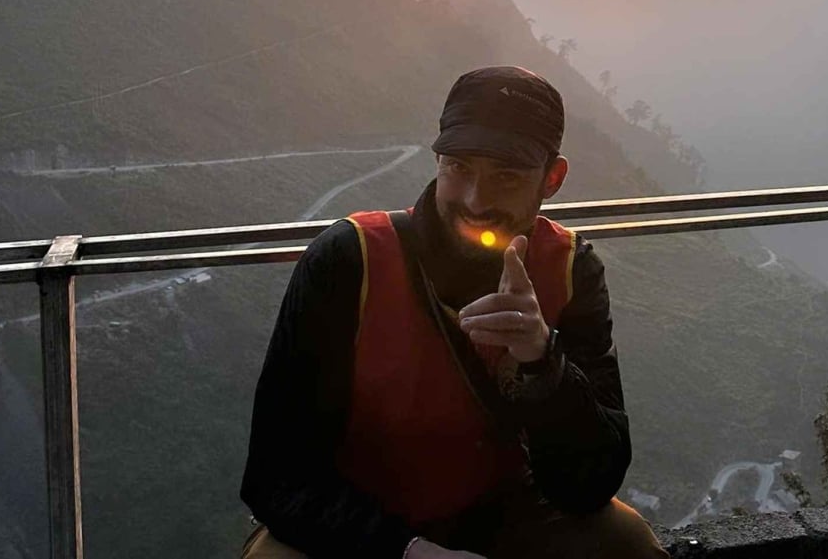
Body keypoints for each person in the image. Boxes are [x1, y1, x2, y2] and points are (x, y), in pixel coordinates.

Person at [240, 66, 669, 559]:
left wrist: (543, 361)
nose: (475, 201)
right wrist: (409, 552)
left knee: (627, 544)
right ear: (439, 161)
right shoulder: (351, 260)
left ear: (552, 179)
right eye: (459, 168)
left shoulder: (571, 270)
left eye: (506, 176)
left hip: (502, 514)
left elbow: (590, 486)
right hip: (356, 524)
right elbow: (276, 478)